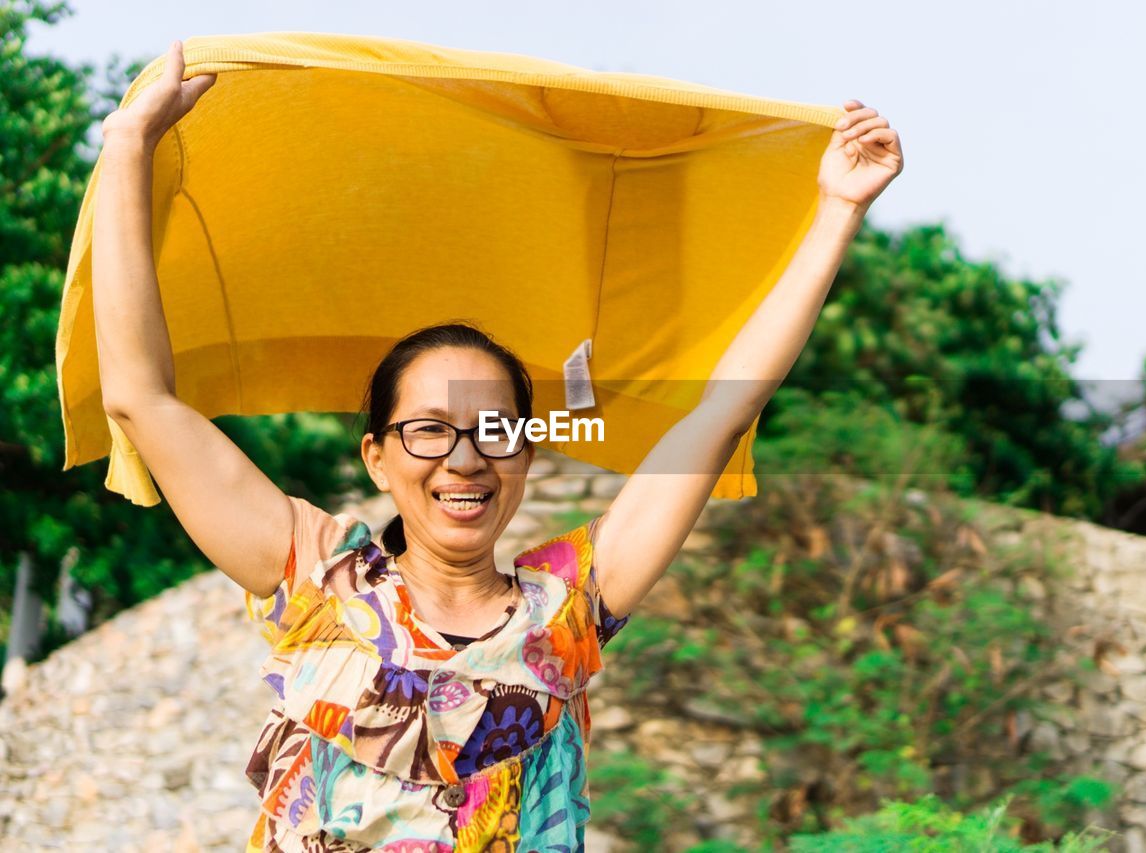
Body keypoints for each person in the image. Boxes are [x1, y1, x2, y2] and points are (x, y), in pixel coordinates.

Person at [93, 39, 903, 853]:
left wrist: (837, 209)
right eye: (429, 431)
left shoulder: (570, 605)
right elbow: (140, 398)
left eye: (495, 430)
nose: (465, 458)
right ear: (376, 454)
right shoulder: (313, 574)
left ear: (529, 452)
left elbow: (719, 416)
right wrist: (128, 147)